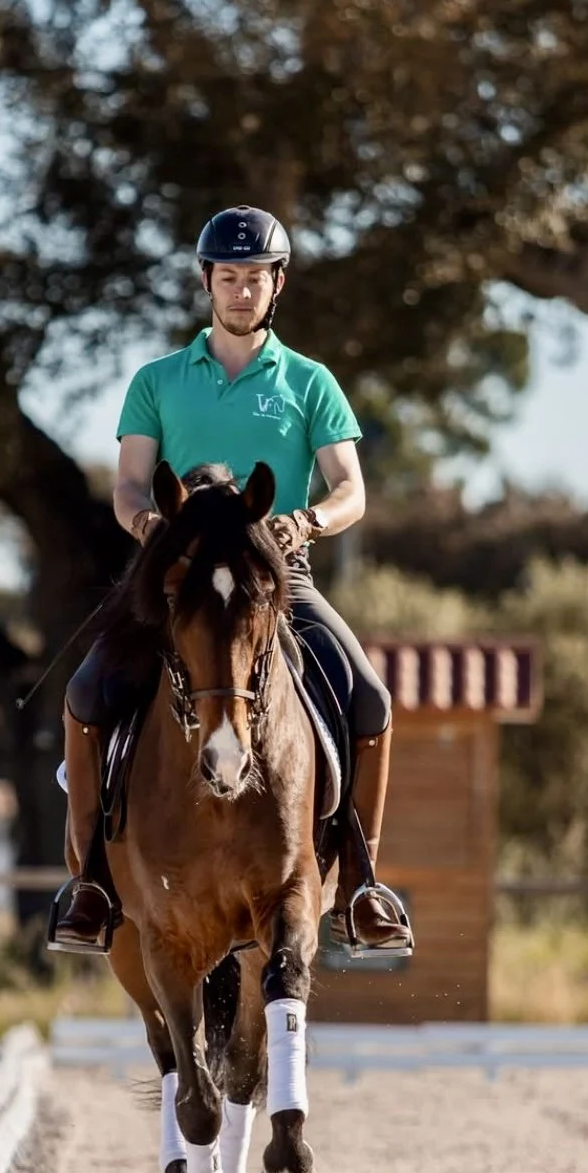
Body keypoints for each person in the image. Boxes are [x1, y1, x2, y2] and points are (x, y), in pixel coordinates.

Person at [54, 204, 409, 951]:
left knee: (371, 703)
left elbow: (351, 490)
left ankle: (363, 885)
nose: (240, 292)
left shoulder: (310, 383)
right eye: (227, 278)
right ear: (206, 283)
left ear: (276, 285)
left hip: (279, 582)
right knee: (84, 694)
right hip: (176, 582)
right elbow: (127, 483)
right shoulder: (156, 380)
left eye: (254, 278)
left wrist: (306, 521)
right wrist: (146, 524)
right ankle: (89, 881)